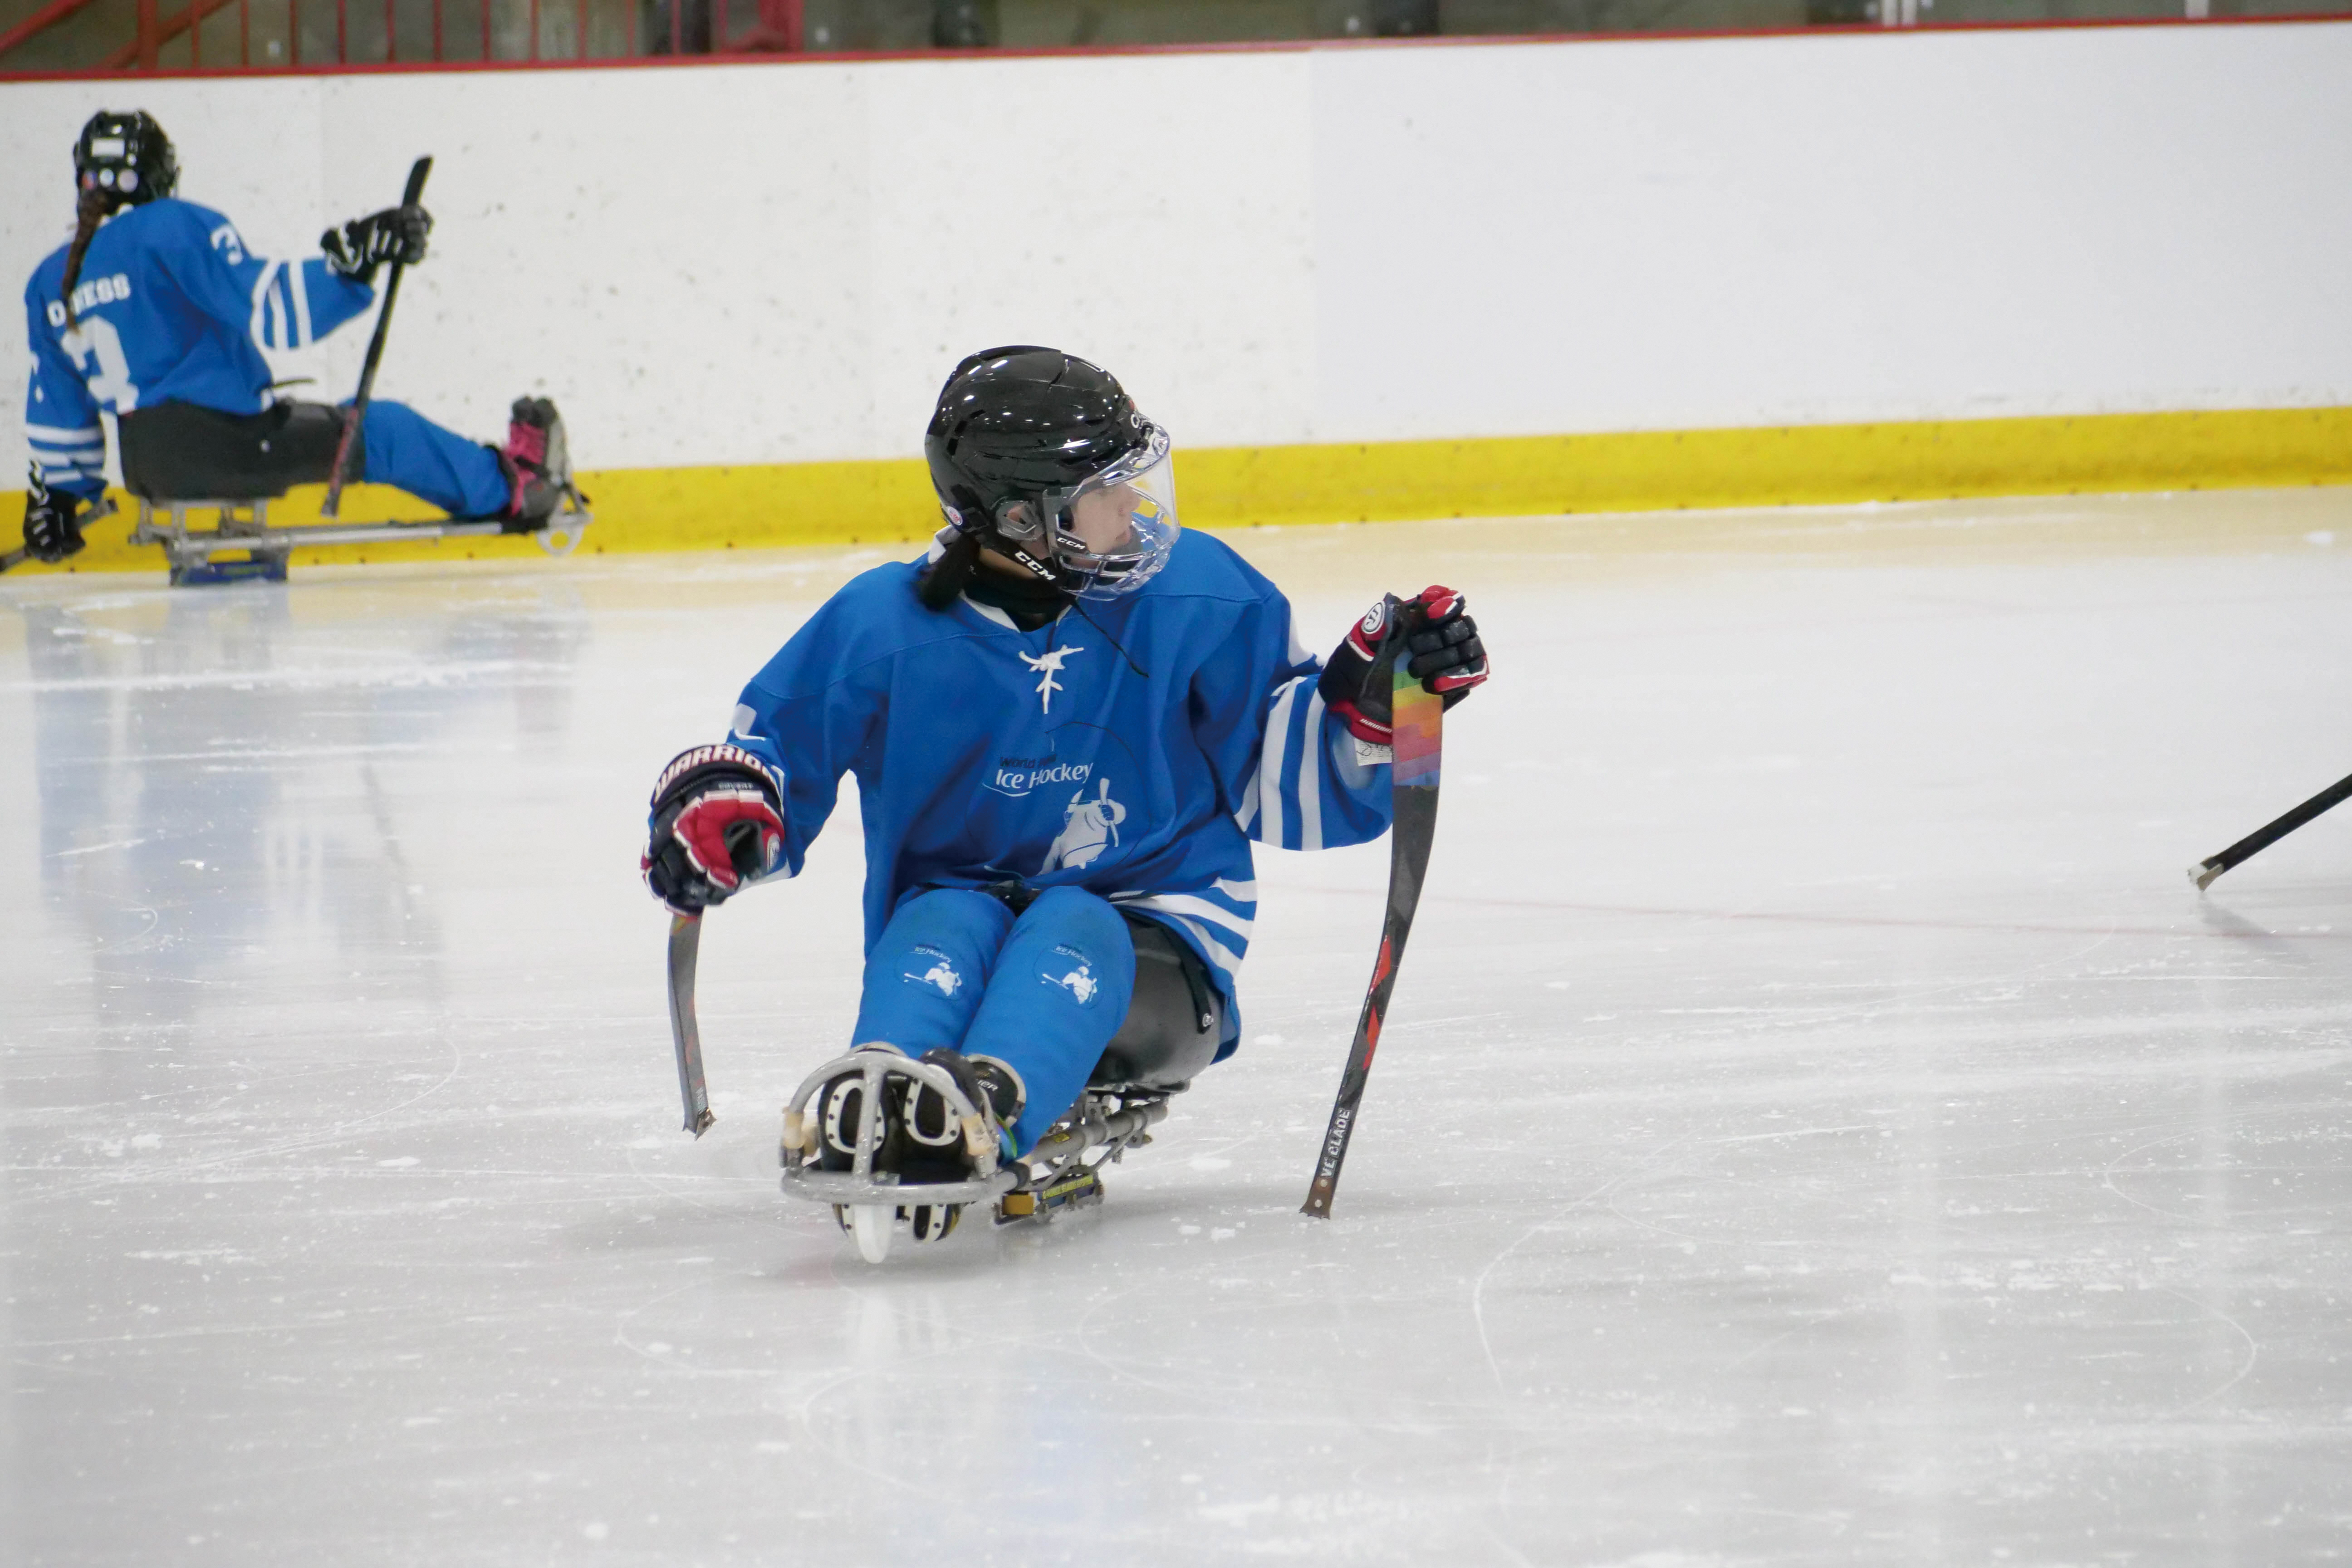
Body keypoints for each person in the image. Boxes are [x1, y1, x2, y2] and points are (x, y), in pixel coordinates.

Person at [639, 345, 1489, 1245]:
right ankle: (884, 1091)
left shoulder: (1200, 596)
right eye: (1106, 491)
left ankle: (984, 1107)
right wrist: (724, 814)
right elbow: (772, 757)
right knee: (941, 922)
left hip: (1160, 954)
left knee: (1070, 921)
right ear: (1022, 519)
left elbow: (1289, 785)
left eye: (1134, 478)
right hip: (960, 918)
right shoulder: (883, 628)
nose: (1137, 507)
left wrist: (1360, 708)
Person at [19, 109, 576, 566]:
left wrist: (59, 501)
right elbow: (275, 311)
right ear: (162, 174)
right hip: (232, 444)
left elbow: (59, 413)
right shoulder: (171, 226)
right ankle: (518, 491)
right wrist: (355, 261)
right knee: (380, 429)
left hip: (148, 466)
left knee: (354, 426)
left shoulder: (49, 280)